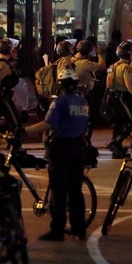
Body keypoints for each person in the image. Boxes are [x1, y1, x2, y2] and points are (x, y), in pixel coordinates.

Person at [24, 68, 89, 242]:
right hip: (79, 147)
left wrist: (26, 130)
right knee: (75, 192)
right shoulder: (83, 102)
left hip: (61, 148)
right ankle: (79, 230)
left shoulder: (60, 102)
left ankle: (57, 231)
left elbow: (48, 123)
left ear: (60, 85)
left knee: (59, 191)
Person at [104, 40, 132, 158]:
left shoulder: (112, 67)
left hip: (111, 98)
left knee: (119, 123)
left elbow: (108, 84)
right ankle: (116, 143)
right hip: (122, 97)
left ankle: (117, 151)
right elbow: (129, 85)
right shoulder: (126, 67)